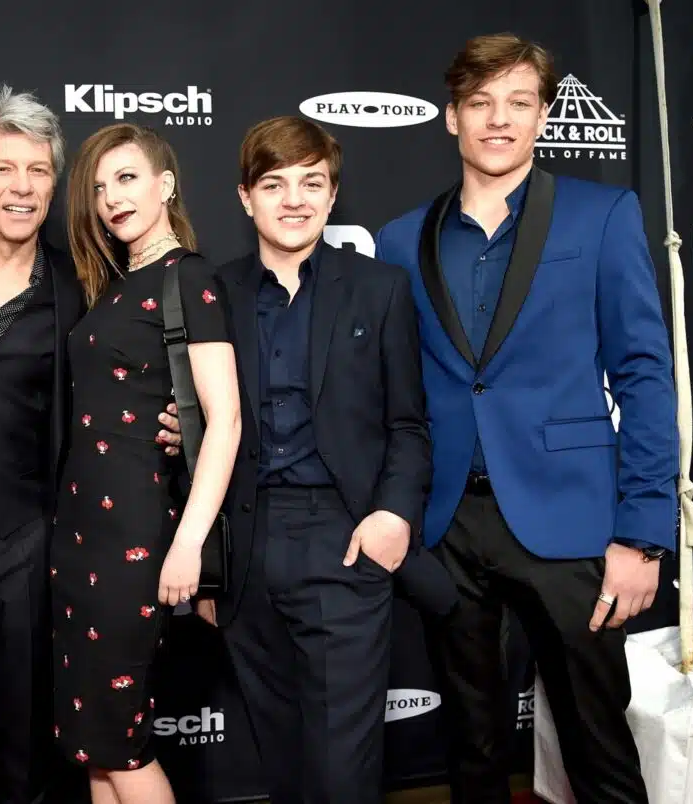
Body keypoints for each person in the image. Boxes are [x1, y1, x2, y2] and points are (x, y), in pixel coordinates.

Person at [375, 33, 678, 804]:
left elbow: (644, 374)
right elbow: (382, 390)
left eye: (518, 103)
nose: (498, 121)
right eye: (480, 104)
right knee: (470, 747)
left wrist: (643, 533)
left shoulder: (603, 214)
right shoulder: (399, 241)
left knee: (598, 746)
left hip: (570, 518)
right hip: (446, 525)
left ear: (543, 116)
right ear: (452, 118)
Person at [0, 88, 182, 804]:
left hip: (31, 545)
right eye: (3, 170)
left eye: (38, 170)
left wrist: (176, 417)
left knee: (38, 747)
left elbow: (140, 371)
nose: (23, 187)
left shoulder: (86, 284)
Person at [191, 115, 431, 804]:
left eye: (311, 183)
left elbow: (409, 424)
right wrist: (210, 570)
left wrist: (391, 518)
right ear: (245, 197)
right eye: (274, 184)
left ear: (331, 196)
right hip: (246, 545)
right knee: (281, 760)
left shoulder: (379, 289)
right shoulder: (214, 293)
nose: (293, 199)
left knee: (341, 772)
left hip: (344, 538)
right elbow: (197, 429)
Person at [51, 122, 240, 804]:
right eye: (99, 187)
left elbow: (226, 420)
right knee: (97, 749)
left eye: (127, 178)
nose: (111, 198)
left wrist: (188, 542)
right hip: (79, 538)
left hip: (136, 535)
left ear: (165, 186)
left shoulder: (189, 278)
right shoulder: (113, 286)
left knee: (122, 747)